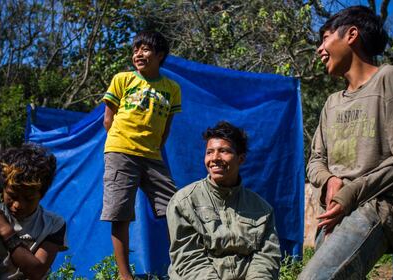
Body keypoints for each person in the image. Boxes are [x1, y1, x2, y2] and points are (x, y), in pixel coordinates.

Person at [299, 5, 393, 279]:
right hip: (336, 213)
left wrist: (351, 192)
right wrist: (330, 181)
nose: (319, 49)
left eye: (326, 38)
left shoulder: (388, 79)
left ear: (351, 35)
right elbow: (316, 161)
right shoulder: (332, 103)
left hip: (379, 206)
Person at [100, 30, 181, 280]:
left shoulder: (171, 88)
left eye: (145, 49)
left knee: (175, 207)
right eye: (136, 49)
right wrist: (121, 143)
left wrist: (153, 149)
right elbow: (108, 119)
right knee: (120, 213)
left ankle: (182, 268)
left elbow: (166, 126)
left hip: (152, 156)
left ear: (160, 55)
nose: (138, 53)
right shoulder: (123, 79)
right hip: (121, 152)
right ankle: (126, 276)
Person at [167, 121, 281, 280]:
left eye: (224, 151)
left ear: (241, 159)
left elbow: (266, 257)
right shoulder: (184, 202)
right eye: (209, 152)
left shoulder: (261, 209)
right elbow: (188, 258)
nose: (214, 158)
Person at [0, 143, 67, 279]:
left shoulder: (53, 224)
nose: (18, 205)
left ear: (42, 195)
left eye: (28, 199)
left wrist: (6, 231)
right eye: (12, 196)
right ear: (3, 189)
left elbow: (36, 272)